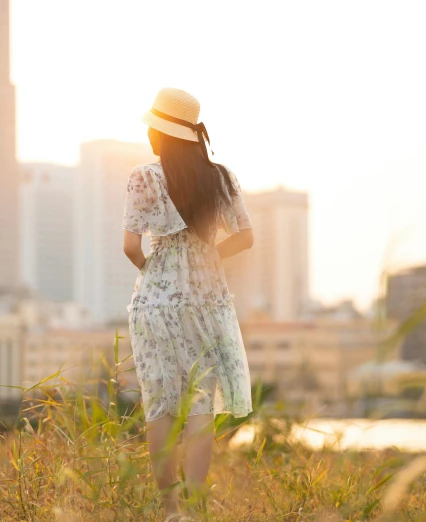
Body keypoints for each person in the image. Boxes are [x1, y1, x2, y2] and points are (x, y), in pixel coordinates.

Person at [122, 87, 255, 521]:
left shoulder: (143, 176)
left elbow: (130, 247)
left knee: (160, 404)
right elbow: (245, 237)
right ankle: (195, 515)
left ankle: (169, 511)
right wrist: (209, 256)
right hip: (206, 298)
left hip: (155, 301)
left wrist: (153, 272)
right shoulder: (221, 177)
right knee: (200, 406)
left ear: (159, 132)